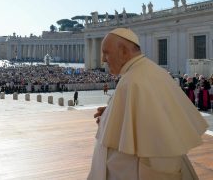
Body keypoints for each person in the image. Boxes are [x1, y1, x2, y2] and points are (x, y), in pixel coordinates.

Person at [88, 28, 208, 180]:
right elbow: (146, 113)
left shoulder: (133, 80)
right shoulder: (152, 71)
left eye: (106, 52)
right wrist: (112, 113)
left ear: (123, 51)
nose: (103, 59)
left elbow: (156, 138)